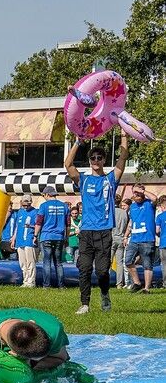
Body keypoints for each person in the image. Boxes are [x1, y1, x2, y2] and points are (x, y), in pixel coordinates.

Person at [65, 133, 128, 314]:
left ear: (103, 160)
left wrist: (124, 135)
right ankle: (84, 304)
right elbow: (68, 165)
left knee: (102, 271)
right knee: (84, 269)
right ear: (90, 160)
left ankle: (105, 294)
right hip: (86, 232)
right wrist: (77, 142)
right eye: (93, 157)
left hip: (104, 232)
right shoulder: (83, 180)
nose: (96, 160)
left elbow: (123, 157)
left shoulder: (110, 179)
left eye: (99, 158)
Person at [0, 308, 70, 371]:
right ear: (12, 352)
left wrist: (33, 367)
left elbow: (61, 358)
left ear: (32, 322)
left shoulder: (52, 328)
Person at [34, 186, 70, 289]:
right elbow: (68, 224)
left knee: (47, 262)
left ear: (47, 195)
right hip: (59, 237)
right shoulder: (64, 206)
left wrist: (35, 235)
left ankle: (46, 285)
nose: (44, 197)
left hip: (46, 236)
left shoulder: (44, 206)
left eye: (44, 195)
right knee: (58, 263)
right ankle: (61, 286)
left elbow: (39, 222)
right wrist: (66, 237)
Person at [124, 184, 157, 294]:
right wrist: (125, 236)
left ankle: (147, 288)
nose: (136, 195)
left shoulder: (149, 204)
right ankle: (137, 283)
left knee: (147, 264)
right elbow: (131, 222)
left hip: (147, 239)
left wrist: (143, 191)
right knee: (128, 261)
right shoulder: (132, 207)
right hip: (134, 239)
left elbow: (155, 198)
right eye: (134, 193)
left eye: (138, 193)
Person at [11, 195, 38, 288]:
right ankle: (25, 280)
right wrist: (13, 238)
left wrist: (30, 226)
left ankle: (31, 281)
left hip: (29, 240)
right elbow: (17, 226)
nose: (25, 206)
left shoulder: (35, 212)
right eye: (24, 204)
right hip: (19, 240)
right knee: (22, 263)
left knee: (30, 261)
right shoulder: (20, 212)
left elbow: (38, 226)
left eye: (27, 205)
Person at [111, 194, 128, 288]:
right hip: (121, 237)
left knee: (107, 260)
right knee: (119, 262)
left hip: (112, 237)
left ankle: (105, 281)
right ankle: (119, 283)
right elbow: (125, 224)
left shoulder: (110, 211)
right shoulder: (124, 212)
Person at [156, 196, 166, 288]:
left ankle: (165, 283)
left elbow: (157, 230)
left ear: (163, 207)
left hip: (163, 243)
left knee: (164, 264)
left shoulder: (160, 216)